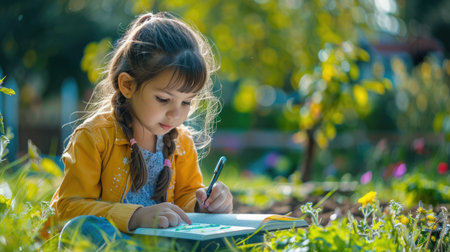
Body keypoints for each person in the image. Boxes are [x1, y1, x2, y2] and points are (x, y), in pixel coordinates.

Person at [50, 11, 233, 249]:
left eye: (186, 102)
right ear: (127, 85)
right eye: (163, 99)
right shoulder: (95, 136)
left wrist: (205, 203)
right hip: (115, 240)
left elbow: (185, 198)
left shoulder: (182, 143)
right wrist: (134, 216)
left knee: (240, 239)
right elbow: (68, 208)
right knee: (83, 229)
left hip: (161, 243)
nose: (176, 114)